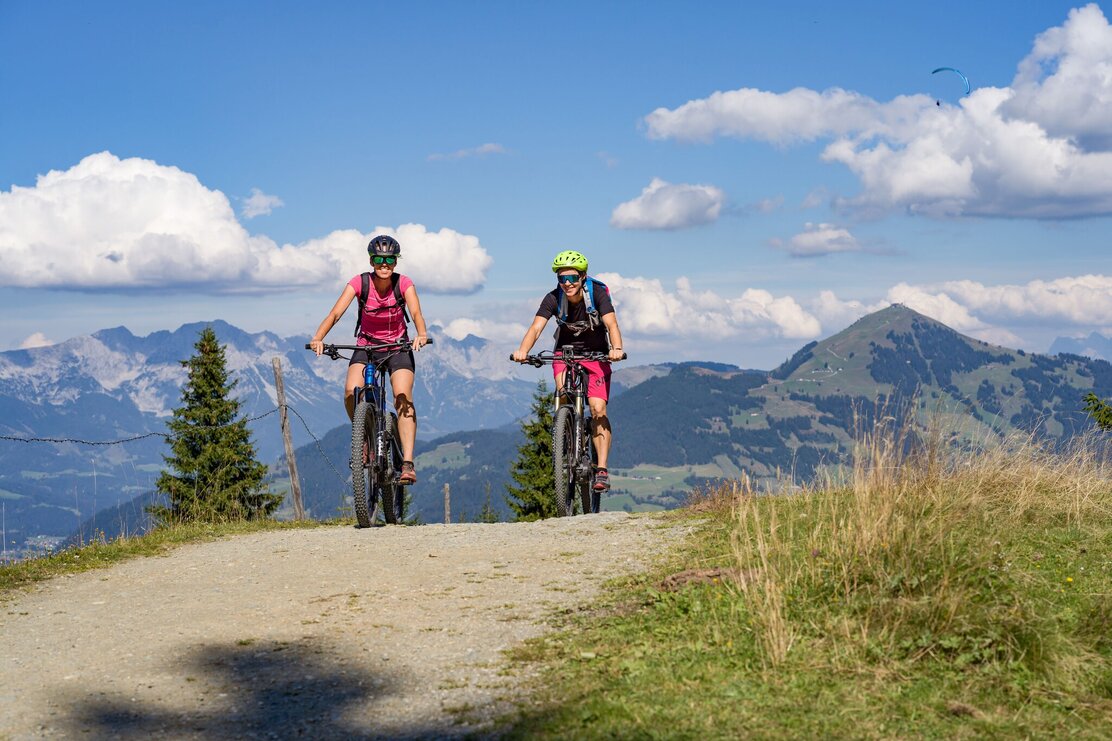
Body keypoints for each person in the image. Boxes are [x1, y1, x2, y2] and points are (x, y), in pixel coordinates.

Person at [309, 234, 429, 484]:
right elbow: (336, 313)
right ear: (371, 261)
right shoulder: (359, 283)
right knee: (350, 392)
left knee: (402, 397)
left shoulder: (404, 283)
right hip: (367, 346)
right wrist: (318, 337)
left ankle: (407, 463)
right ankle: (363, 436)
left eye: (389, 260)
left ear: (396, 262)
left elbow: (416, 312)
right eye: (378, 259)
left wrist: (422, 334)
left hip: (398, 347)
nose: (384, 265)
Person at [512, 250, 624, 493]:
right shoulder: (553, 298)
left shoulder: (598, 295)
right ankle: (566, 434)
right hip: (565, 353)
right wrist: (522, 350)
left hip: (597, 355)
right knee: (564, 393)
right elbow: (536, 328)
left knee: (597, 409)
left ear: (583, 276)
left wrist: (616, 348)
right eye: (562, 278)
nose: (567, 283)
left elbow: (612, 324)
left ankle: (601, 469)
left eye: (572, 278)